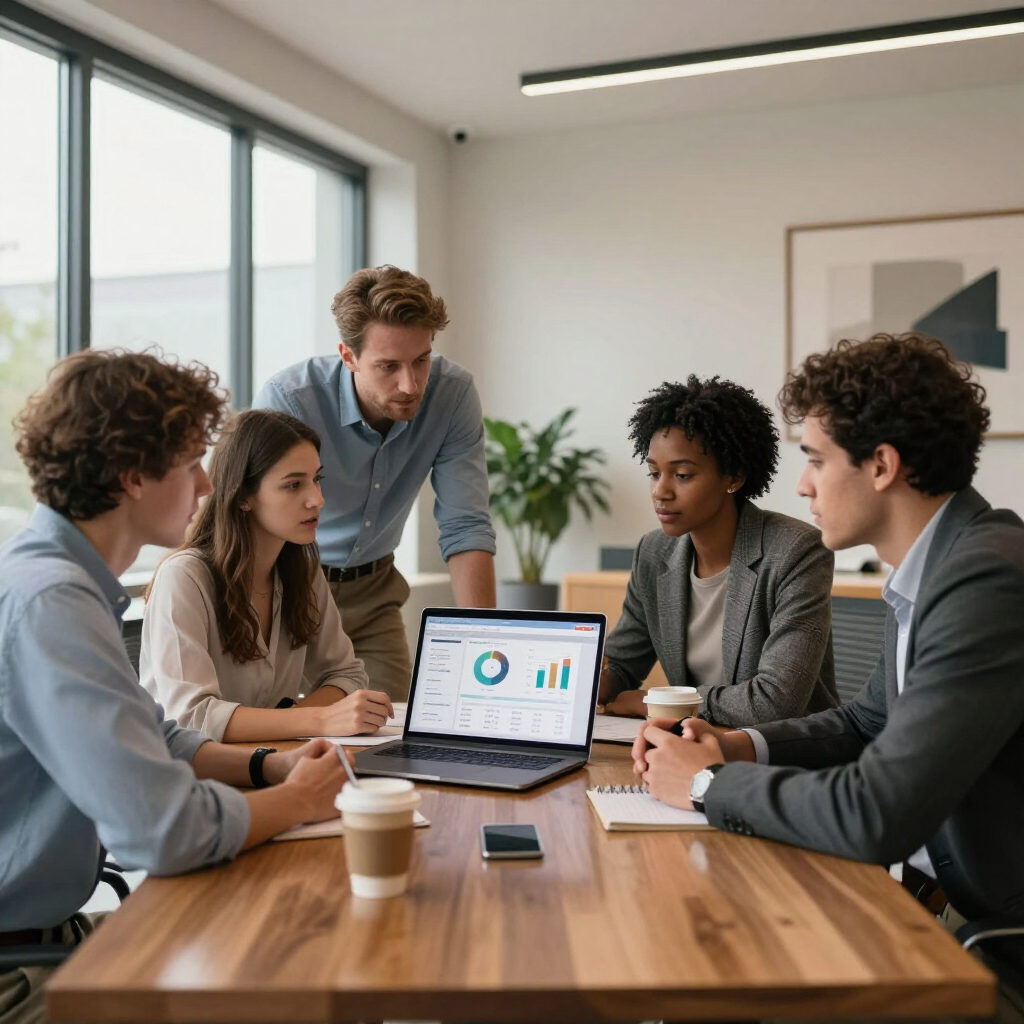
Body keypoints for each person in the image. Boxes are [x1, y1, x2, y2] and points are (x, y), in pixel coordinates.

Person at [0, 351, 349, 1024]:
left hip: (52, 940)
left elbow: (154, 735)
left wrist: (270, 765)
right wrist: (296, 800)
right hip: (18, 972)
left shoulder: (58, 581)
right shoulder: (52, 602)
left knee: (274, 958)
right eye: (190, 464)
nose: (205, 486)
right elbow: (163, 832)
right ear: (133, 476)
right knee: (279, 980)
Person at [633, 334, 1024, 933]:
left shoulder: (985, 579)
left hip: (996, 936)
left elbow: (877, 812)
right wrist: (731, 745)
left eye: (816, 460)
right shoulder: (938, 567)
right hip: (940, 902)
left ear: (883, 466)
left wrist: (709, 783)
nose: (802, 485)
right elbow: (864, 722)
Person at [255, 265, 497, 701]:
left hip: (376, 593)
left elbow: (466, 524)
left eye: (421, 360)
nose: (411, 384)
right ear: (348, 356)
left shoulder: (452, 395)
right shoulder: (290, 400)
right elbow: (251, 518)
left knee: (392, 732)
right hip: (288, 588)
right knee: (290, 740)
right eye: (388, 366)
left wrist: (484, 646)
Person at [141, 409, 393, 742]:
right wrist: (319, 719)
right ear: (243, 496)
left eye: (317, 479)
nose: (316, 500)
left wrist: (300, 721)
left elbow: (345, 674)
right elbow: (192, 718)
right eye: (293, 485)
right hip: (190, 778)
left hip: (274, 759)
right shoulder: (184, 578)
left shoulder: (302, 570)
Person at [601, 376, 838, 726]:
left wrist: (656, 702)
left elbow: (776, 702)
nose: (660, 492)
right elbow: (622, 664)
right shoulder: (654, 553)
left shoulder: (796, 551)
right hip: (692, 746)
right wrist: (578, 685)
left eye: (682, 475)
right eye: (654, 473)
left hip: (782, 758)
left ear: (734, 477)